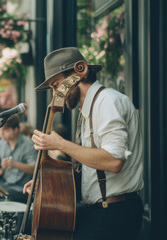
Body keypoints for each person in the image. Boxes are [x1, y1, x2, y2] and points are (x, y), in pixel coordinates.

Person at [24, 47, 143, 240]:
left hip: (115, 213)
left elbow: (113, 161)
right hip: (101, 210)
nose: (56, 94)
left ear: (80, 72)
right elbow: (92, 170)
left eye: (57, 85)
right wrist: (50, 185)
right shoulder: (86, 110)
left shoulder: (107, 101)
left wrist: (61, 144)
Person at [0, 114, 36, 203]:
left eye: (5, 130)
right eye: (0, 131)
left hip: (22, 189)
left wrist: (15, 164)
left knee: (7, 195)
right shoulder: (1, 145)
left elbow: (34, 168)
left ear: (16, 130)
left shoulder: (28, 144)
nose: (1, 133)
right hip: (7, 185)